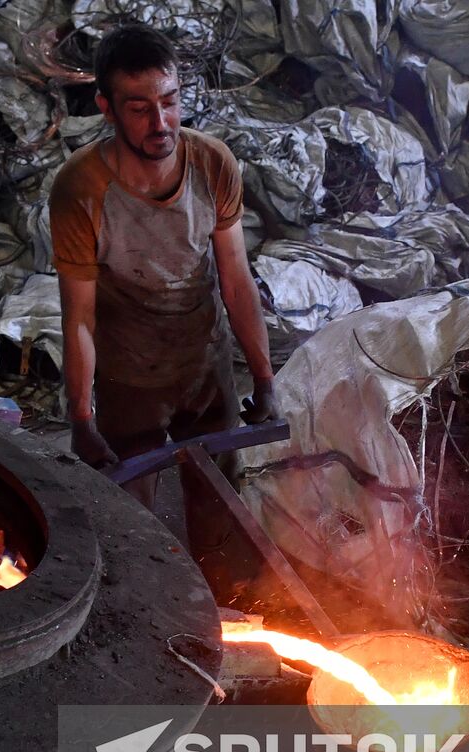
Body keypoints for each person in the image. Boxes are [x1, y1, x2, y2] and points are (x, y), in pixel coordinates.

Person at [48, 23, 275, 589]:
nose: (161, 123)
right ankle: (147, 618)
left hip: (204, 360)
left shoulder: (212, 165)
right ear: (106, 108)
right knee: (133, 522)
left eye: (170, 102)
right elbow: (78, 317)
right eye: (140, 108)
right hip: (129, 376)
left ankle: (226, 611)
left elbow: (237, 282)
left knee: (219, 503)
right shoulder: (80, 190)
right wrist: (81, 416)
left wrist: (265, 378)